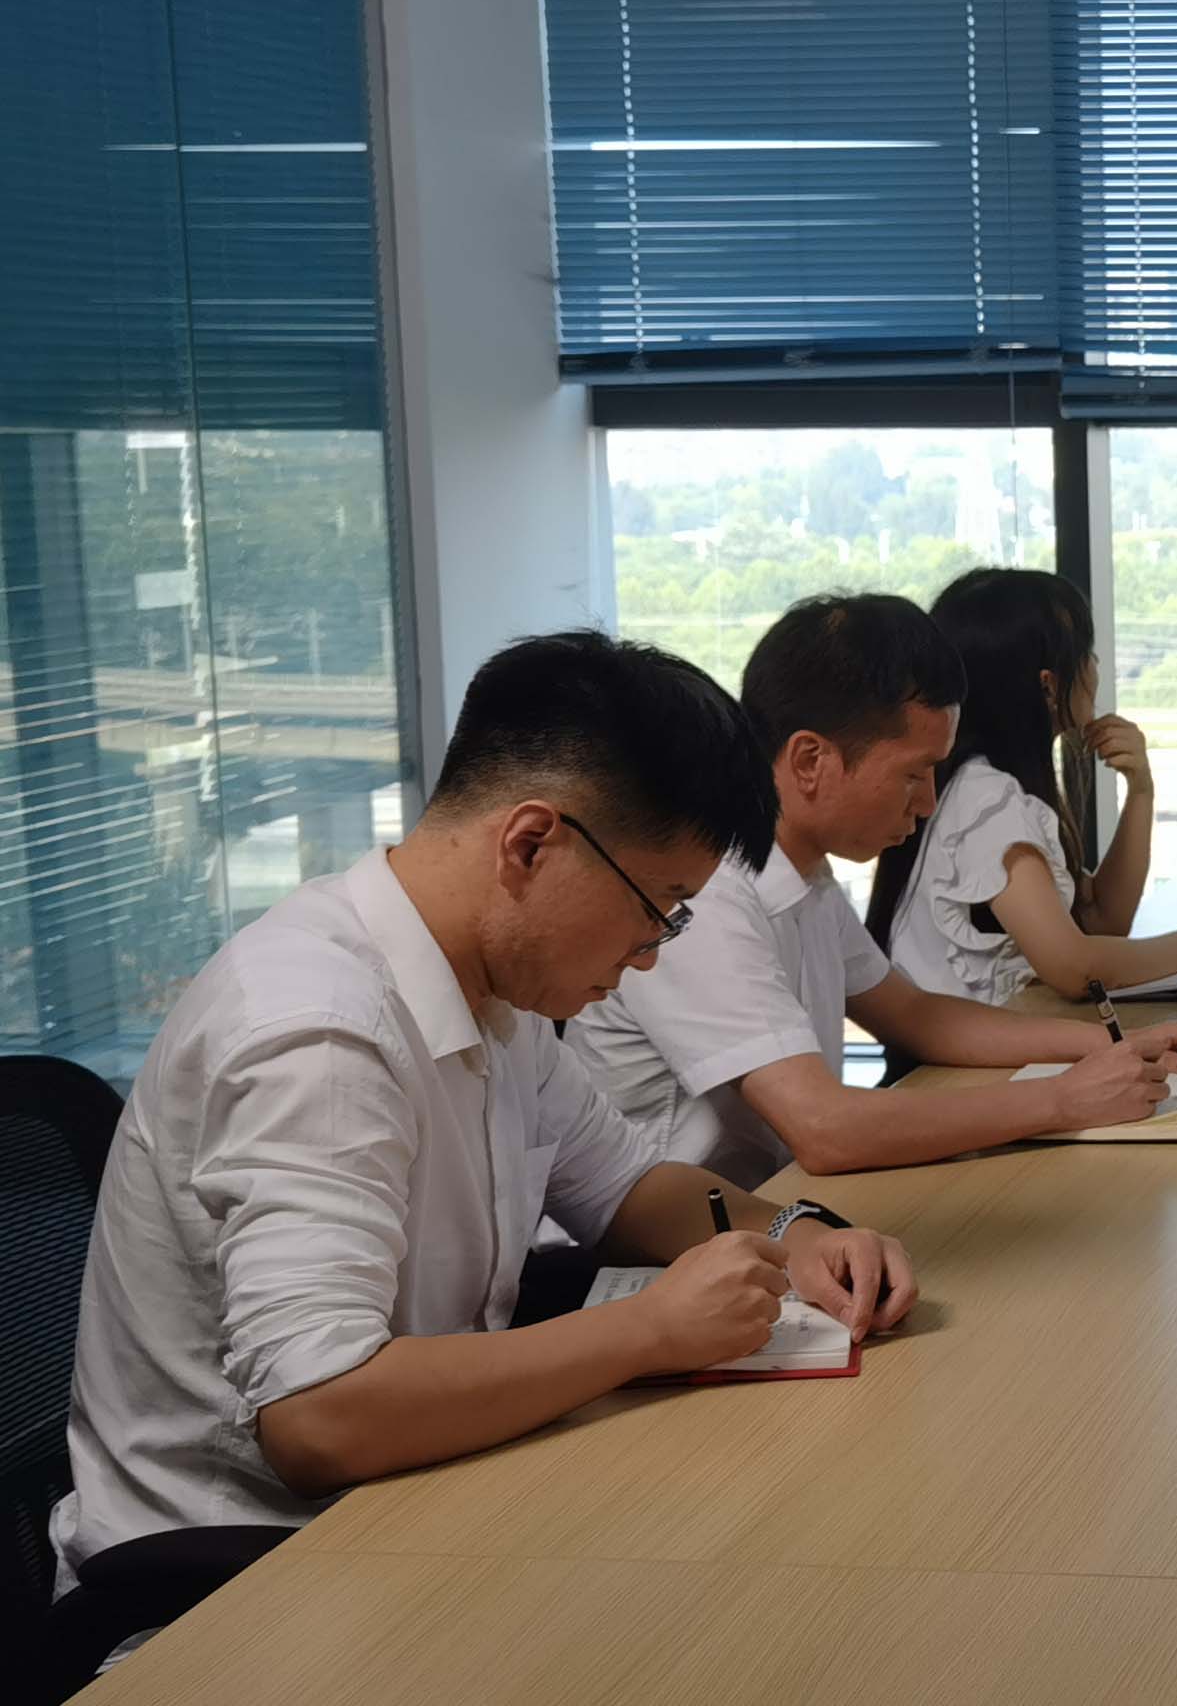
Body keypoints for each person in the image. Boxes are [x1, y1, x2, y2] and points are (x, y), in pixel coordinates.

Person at [55, 631, 924, 1602]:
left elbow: (629, 1186)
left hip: (428, 1502)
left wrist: (800, 1236)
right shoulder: (318, 1032)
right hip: (236, 1588)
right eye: (659, 906)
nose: (651, 952)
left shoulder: (491, 994)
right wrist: (650, 1329)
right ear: (530, 843)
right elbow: (319, 1416)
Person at [570, 594, 1177, 1185]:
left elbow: (916, 1015)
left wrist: (1108, 1046)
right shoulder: (705, 895)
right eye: (915, 774)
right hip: (669, 1253)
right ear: (810, 760)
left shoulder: (804, 873)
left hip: (770, 1209)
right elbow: (825, 1129)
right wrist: (1063, 1099)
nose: (927, 803)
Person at [867, 567, 1177, 1007]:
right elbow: (1074, 968)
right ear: (1048, 685)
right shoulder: (985, 799)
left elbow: (1102, 920)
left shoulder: (986, 784)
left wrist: (1140, 791)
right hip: (962, 1049)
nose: (1095, 668)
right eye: (1086, 653)